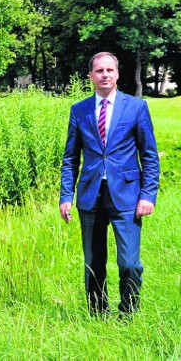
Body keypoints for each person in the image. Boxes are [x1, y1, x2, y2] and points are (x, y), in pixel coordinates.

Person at [59, 52, 159, 317]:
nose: (105, 75)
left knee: (129, 263)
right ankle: (97, 313)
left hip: (127, 195)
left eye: (109, 70)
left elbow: (148, 155)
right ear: (91, 76)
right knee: (94, 261)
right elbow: (70, 158)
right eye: (99, 71)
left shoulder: (136, 107)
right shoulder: (79, 110)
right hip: (90, 195)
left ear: (117, 74)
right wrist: (65, 196)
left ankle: (128, 312)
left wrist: (148, 195)